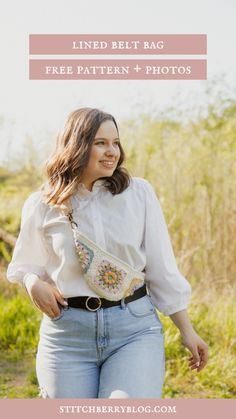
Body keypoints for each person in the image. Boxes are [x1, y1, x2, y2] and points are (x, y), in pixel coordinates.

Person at [6, 107, 208, 399]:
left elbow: (161, 269)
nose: (112, 151)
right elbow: (25, 265)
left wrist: (187, 331)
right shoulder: (41, 203)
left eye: (115, 142)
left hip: (134, 331)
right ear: (76, 145)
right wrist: (32, 283)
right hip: (67, 337)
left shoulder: (138, 194)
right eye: (100, 143)